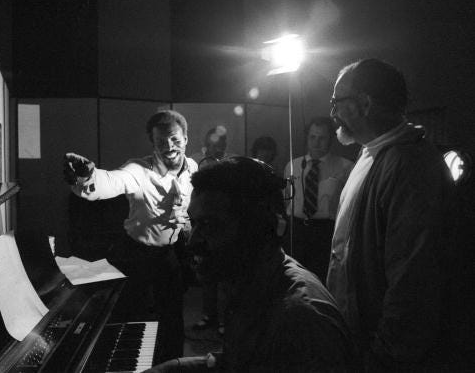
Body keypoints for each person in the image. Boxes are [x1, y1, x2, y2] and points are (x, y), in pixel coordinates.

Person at [145, 157, 358, 372]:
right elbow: (245, 363)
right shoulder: (250, 282)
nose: (192, 242)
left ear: (257, 228)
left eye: (209, 224)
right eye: (194, 223)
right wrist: (176, 367)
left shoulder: (300, 321)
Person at [327, 58, 455, 370]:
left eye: (337, 102)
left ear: (364, 104)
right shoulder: (374, 153)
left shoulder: (410, 166)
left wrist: (384, 358)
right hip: (361, 341)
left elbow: (414, 281)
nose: (332, 113)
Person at [63, 109, 197, 363]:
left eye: (175, 140)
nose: (169, 147)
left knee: (173, 318)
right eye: (161, 142)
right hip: (136, 253)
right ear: (153, 144)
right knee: (129, 318)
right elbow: (110, 182)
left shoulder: (192, 167)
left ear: (186, 139)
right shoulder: (138, 170)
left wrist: (187, 222)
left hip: (168, 253)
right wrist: (87, 178)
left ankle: (173, 366)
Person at [283, 116, 353, 283]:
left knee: (322, 278)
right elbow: (287, 198)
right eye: (312, 137)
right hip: (296, 229)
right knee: (294, 277)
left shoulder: (345, 166)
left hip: (325, 231)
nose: (316, 143)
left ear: (331, 139)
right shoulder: (292, 165)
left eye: (322, 138)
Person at [190, 126, 233, 335]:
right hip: (202, 226)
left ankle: (226, 320)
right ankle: (208, 316)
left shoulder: (232, 164)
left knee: (225, 276)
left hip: (223, 227)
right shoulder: (194, 161)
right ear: (206, 144)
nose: (216, 148)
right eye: (212, 144)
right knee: (206, 275)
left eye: (220, 144)